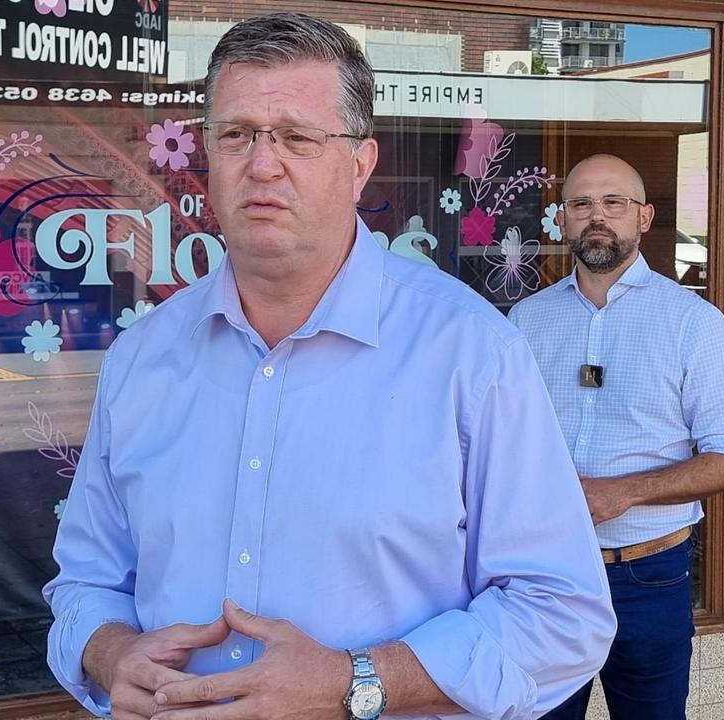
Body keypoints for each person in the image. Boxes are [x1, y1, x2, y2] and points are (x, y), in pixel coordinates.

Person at [43, 13, 615, 720]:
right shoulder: (141, 358)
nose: (262, 162)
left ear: (360, 164)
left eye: (297, 137)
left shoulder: (471, 352)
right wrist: (107, 653)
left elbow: (562, 612)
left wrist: (358, 683)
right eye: (236, 134)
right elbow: (87, 581)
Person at [509, 154, 724, 720]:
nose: (598, 216)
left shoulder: (691, 322)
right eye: (581, 205)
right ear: (562, 221)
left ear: (644, 217)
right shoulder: (525, 321)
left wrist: (624, 493)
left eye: (613, 202)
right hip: (545, 575)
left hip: (648, 576)